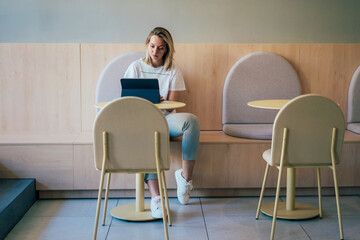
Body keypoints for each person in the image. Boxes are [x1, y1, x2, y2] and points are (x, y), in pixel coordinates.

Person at [124, 27, 200, 218]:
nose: (155, 52)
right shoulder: (136, 67)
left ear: (167, 49)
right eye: (152, 46)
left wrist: (160, 101)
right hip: (142, 121)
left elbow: (173, 104)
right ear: (147, 45)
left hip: (166, 118)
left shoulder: (173, 70)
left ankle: (185, 179)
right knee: (149, 133)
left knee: (191, 121)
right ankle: (156, 199)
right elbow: (127, 101)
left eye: (160, 48)